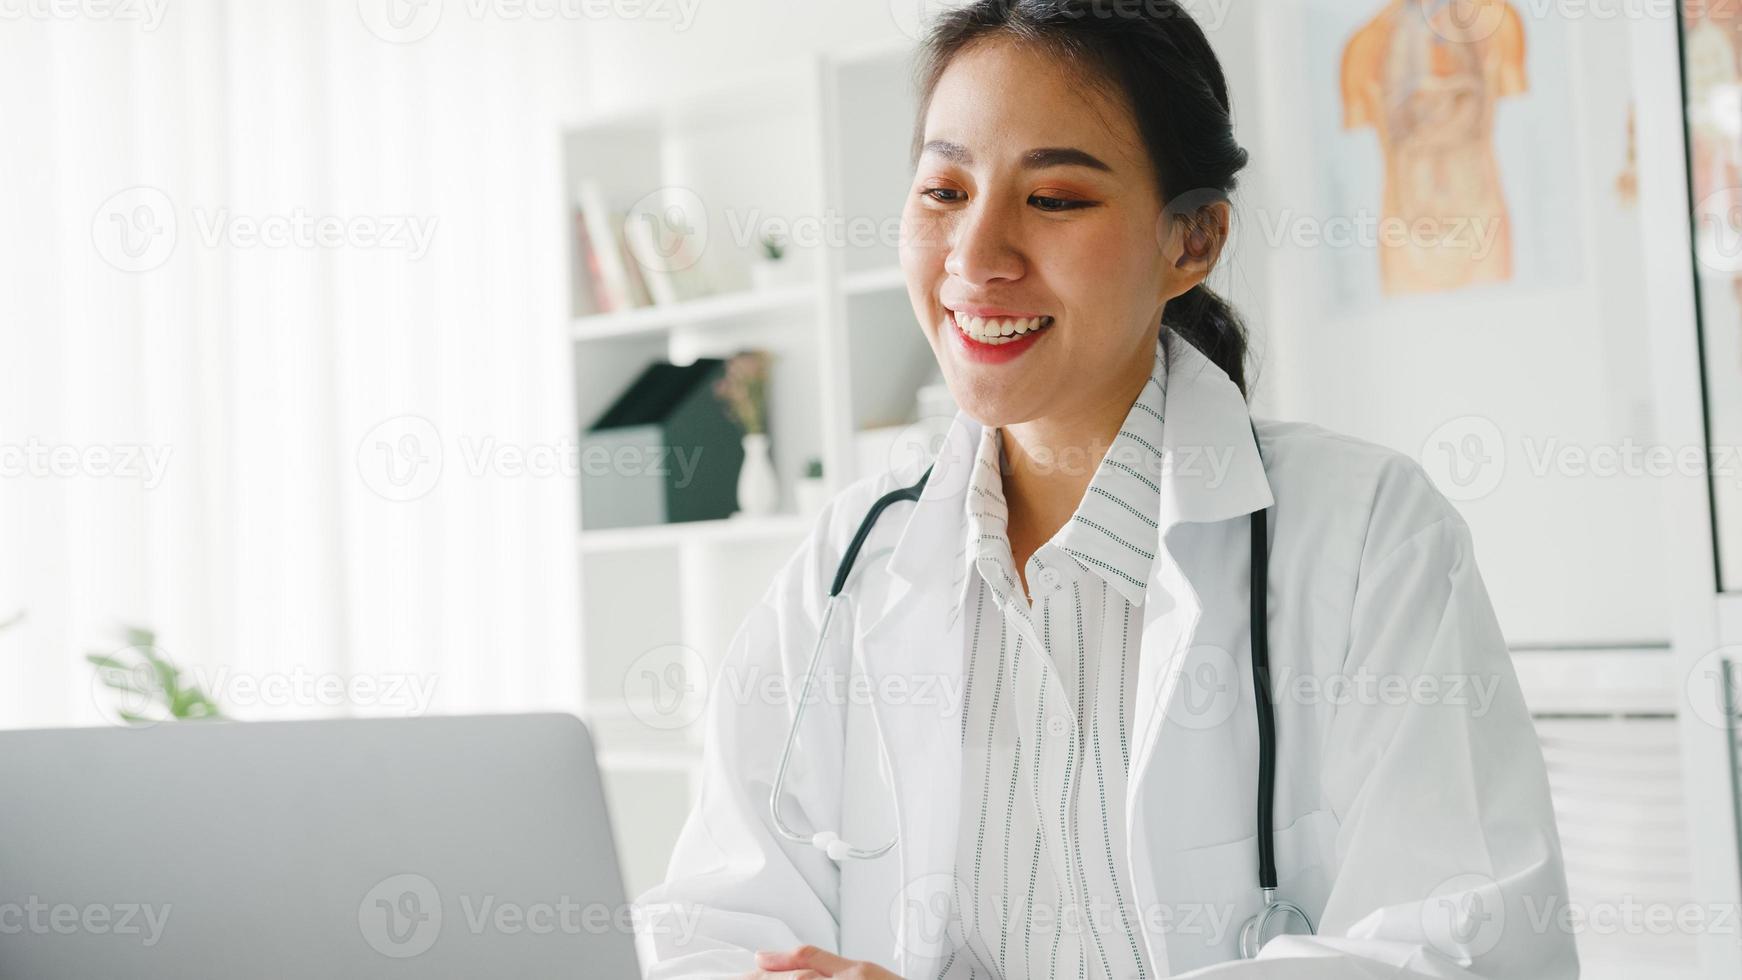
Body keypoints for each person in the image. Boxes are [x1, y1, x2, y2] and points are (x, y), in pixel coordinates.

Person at [635, 2, 1576, 977]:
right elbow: (710, 923)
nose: (976, 256)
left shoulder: (1369, 535)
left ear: (1191, 240)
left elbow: (1467, 941)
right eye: (944, 189)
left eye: (1054, 199)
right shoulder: (843, 567)